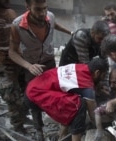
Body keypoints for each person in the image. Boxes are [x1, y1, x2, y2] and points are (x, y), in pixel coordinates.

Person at [9, 0, 71, 140]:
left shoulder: (50, 16)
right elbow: (12, 52)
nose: (43, 13)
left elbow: (55, 24)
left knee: (54, 92)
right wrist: (28, 66)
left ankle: (59, 124)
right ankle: (39, 130)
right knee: (34, 97)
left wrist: (70, 32)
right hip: (31, 65)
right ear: (28, 7)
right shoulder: (17, 25)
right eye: (38, 9)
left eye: (45, 8)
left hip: (49, 62)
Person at [24, 58, 109, 141]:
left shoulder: (82, 67)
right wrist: (100, 127)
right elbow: (93, 114)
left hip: (33, 87)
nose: (103, 78)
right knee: (78, 105)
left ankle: (61, 135)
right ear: (97, 73)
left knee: (70, 102)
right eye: (103, 75)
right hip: (36, 95)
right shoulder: (87, 85)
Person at [0, 0, 29, 133]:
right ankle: (18, 127)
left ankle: (23, 117)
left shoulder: (11, 13)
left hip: (19, 59)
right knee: (11, 95)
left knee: (27, 91)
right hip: (3, 64)